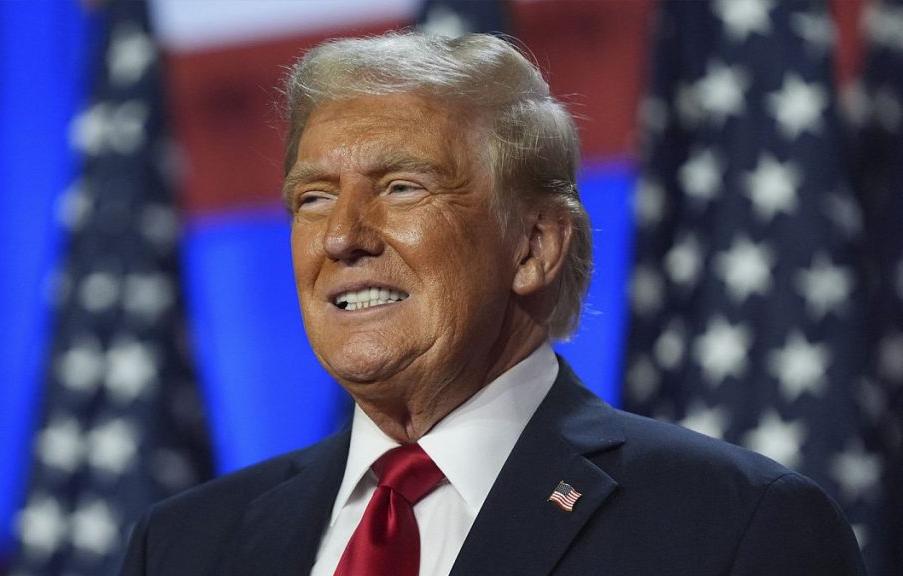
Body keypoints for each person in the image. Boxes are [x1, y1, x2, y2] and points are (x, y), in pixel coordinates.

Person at [119, 32, 866, 575]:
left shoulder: (733, 528)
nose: (341, 237)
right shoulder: (185, 546)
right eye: (312, 198)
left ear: (534, 246)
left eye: (400, 187)